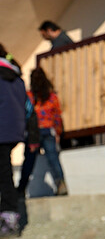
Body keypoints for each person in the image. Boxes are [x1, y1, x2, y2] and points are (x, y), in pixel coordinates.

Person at [0, 44, 35, 238]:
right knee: (5, 173)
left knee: (4, 175)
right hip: (13, 131)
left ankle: (9, 220)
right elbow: (27, 107)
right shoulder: (16, 77)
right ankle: (9, 217)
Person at [19, 67, 68, 196]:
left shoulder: (28, 96)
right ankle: (61, 184)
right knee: (53, 159)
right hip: (48, 130)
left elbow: (24, 114)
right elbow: (57, 116)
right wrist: (57, 132)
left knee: (29, 161)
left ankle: (21, 188)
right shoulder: (52, 96)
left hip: (32, 132)